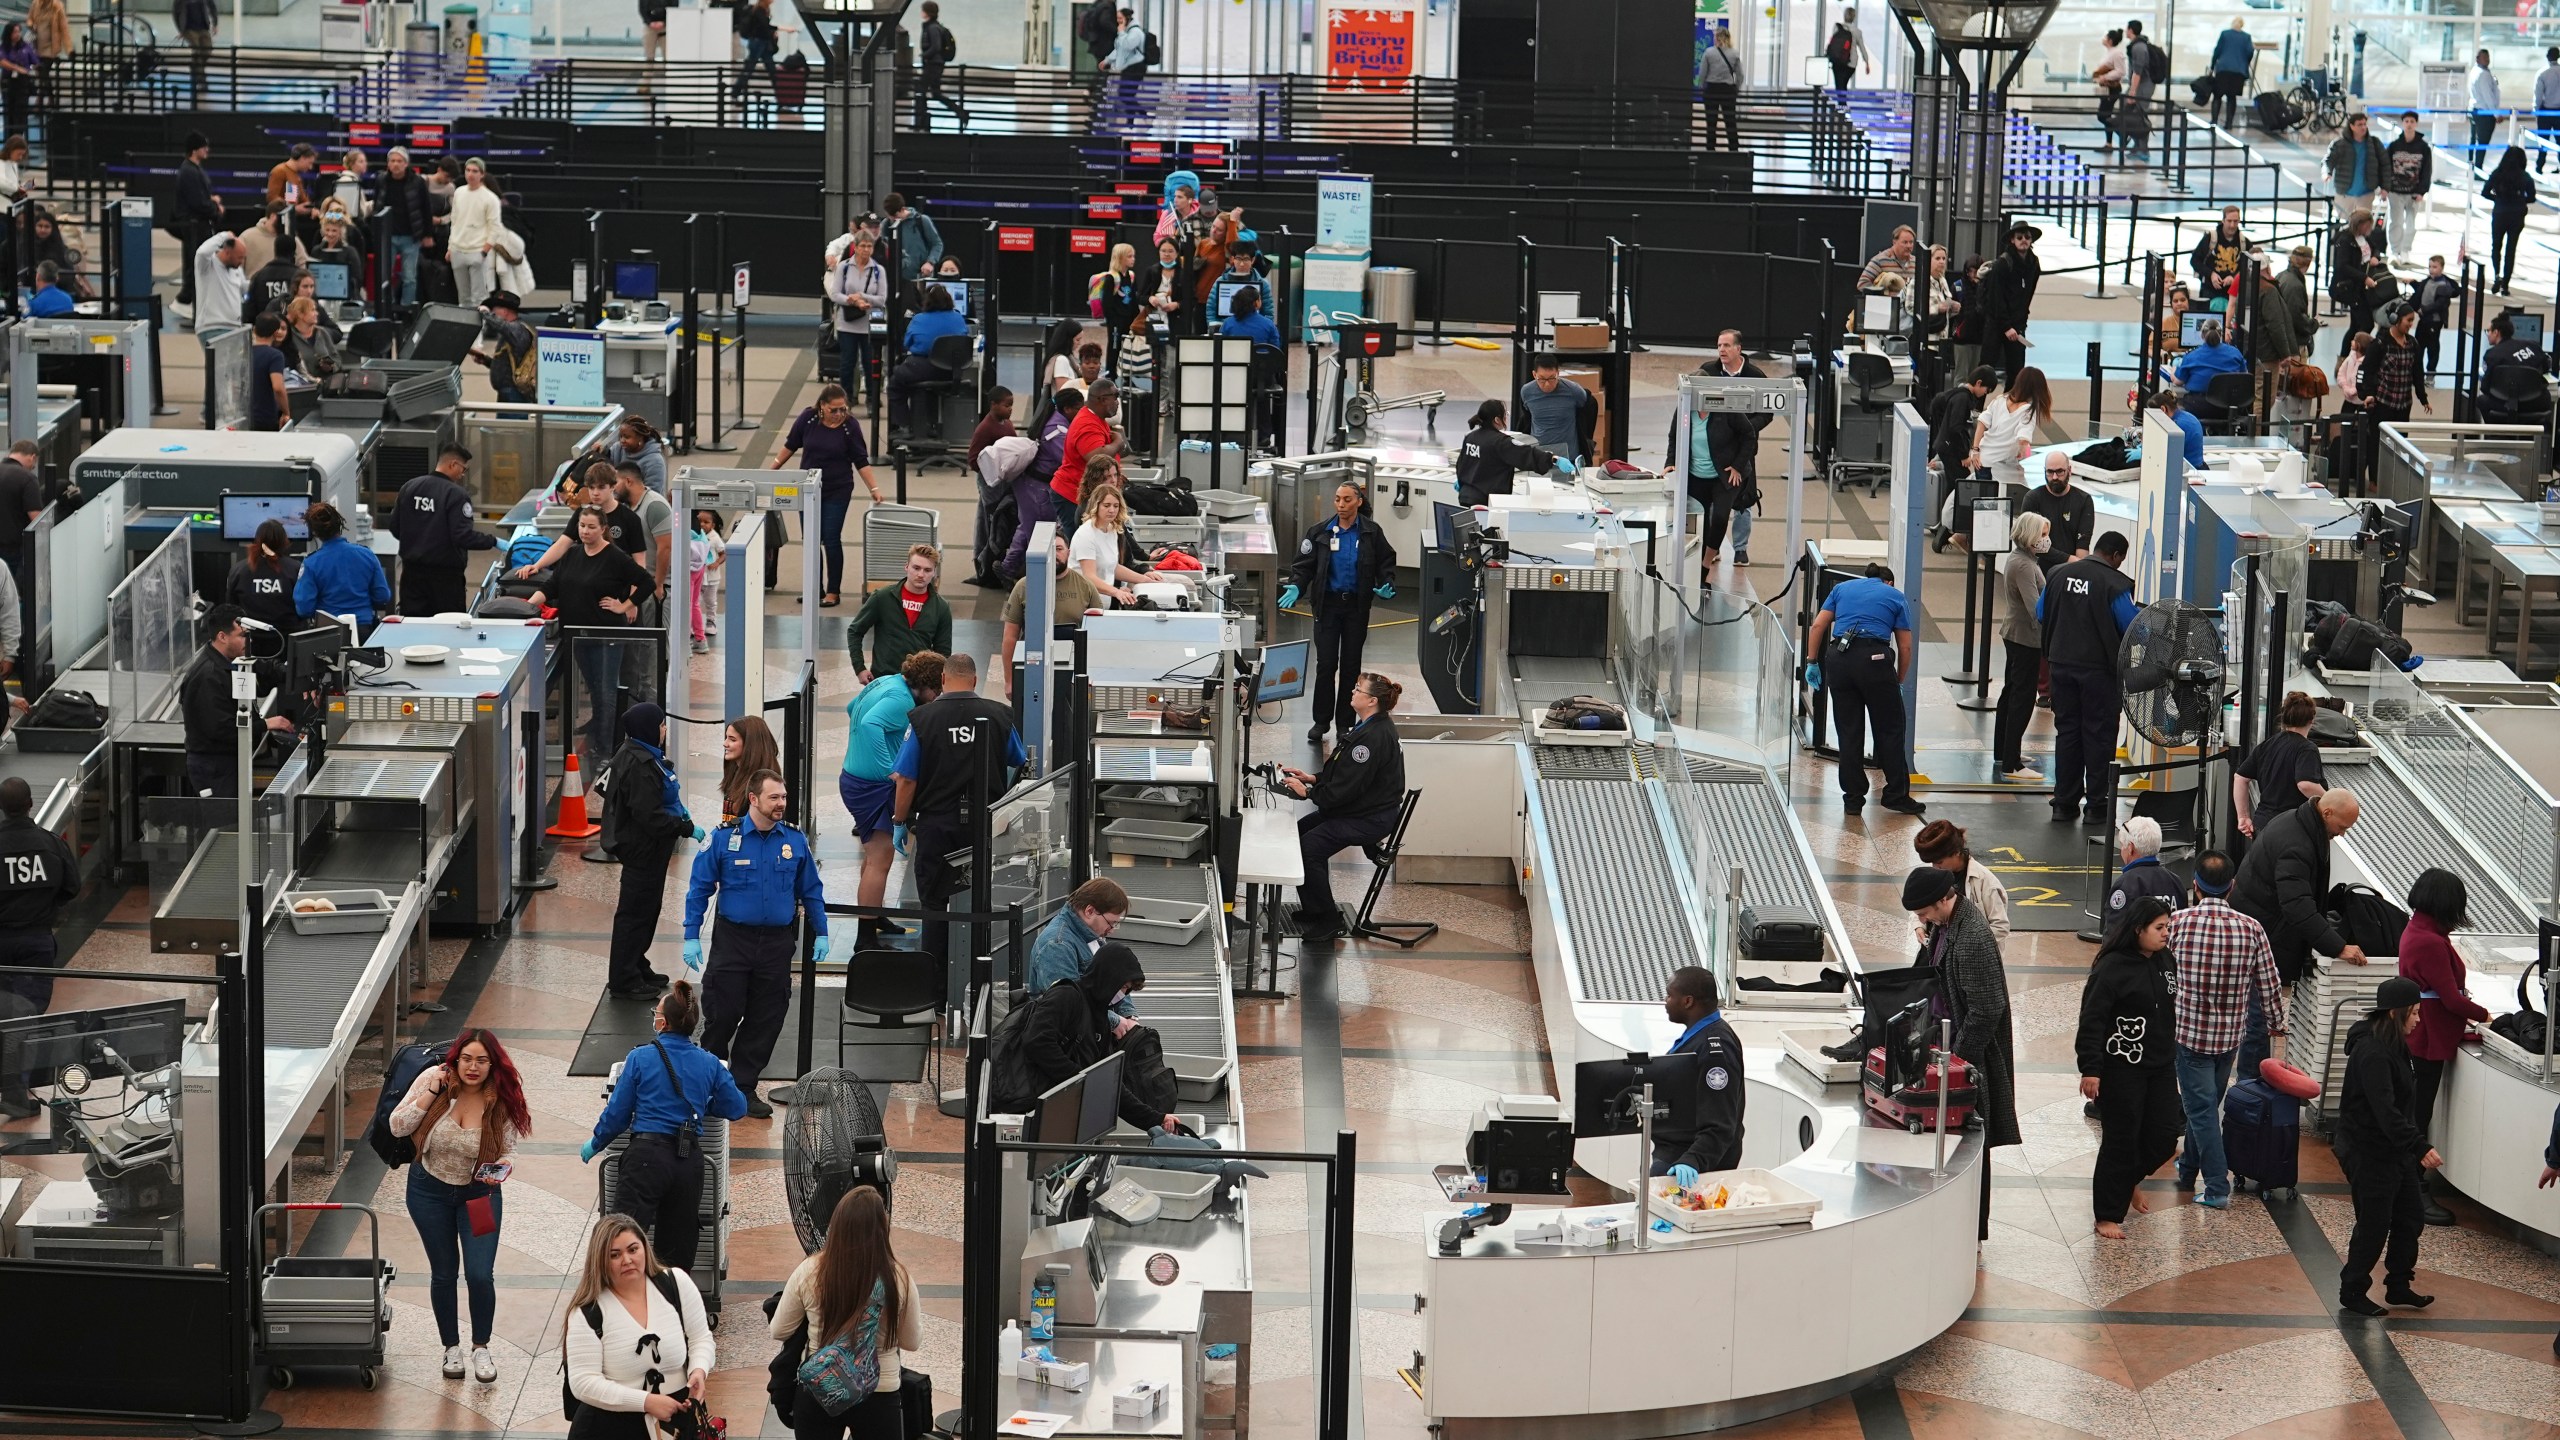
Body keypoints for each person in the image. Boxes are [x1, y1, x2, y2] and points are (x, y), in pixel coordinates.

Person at [388, 1028, 529, 1384]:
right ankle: (451, 1347)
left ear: (492, 1064)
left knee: (480, 1274)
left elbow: (509, 1147)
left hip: (479, 1196)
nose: (473, 1067)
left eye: (482, 1060)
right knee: (444, 1272)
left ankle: (481, 1346)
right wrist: (431, 1091)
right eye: (466, 1058)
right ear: (455, 1059)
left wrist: (504, 1168)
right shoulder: (434, 1080)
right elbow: (397, 1127)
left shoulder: (502, 1098)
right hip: (428, 1192)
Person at [684, 769, 826, 1120]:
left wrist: (821, 931)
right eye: (774, 797)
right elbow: (699, 888)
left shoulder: (793, 840)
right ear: (753, 799)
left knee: (767, 1016)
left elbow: (811, 890)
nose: (781, 804)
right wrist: (690, 934)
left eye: (784, 797)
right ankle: (710, 1083)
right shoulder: (722, 839)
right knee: (723, 1012)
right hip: (734, 940)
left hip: (777, 943)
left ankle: (744, 1086)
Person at [1902, 865, 2020, 1238]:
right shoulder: (1946, 925)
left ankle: (1973, 1229)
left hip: (1970, 1056)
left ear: (1943, 899)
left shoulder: (1972, 938)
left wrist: (1960, 1063)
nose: (1922, 920)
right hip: (1947, 1045)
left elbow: (1987, 1009)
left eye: (1923, 913)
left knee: (1971, 1141)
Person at [2164, 850, 2282, 1209]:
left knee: (2201, 1111)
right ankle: (2188, 1168)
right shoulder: (2252, 929)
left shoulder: (2177, 923)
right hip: (2230, 1037)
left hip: (2187, 1035)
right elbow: (2269, 984)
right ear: (2231, 887)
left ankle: (2216, 1187)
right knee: (2207, 1103)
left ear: (2195, 886)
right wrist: (2276, 1025)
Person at [892, 653, 1025, 959]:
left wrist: (900, 821)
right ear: (975, 681)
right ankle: (977, 972)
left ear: (942, 680)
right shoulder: (999, 715)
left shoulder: (922, 719)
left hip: (937, 825)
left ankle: (936, 984)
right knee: (980, 898)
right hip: (985, 825)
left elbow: (906, 779)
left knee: (934, 903)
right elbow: (1016, 760)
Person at [2230, 789, 2367, 1076]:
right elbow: (2297, 906)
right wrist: (2338, 946)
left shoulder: (2296, 821)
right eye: (2342, 827)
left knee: (2256, 1016)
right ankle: (2250, 1089)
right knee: (2258, 1017)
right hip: (2264, 939)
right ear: (2327, 813)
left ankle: (2251, 1084)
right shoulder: (2298, 844)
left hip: (2260, 929)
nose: (2342, 834)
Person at [773, 1186, 923, 1440]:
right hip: (880, 1390)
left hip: (821, 1387)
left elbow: (779, 1330)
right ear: (881, 1228)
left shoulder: (809, 1271)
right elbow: (911, 1342)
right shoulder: (898, 1277)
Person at [1276, 671, 1408, 945]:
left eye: (1358, 689)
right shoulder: (1368, 727)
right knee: (1298, 835)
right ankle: (1315, 908)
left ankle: (1329, 920)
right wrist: (1312, 778)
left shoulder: (1372, 738)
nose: (1352, 692)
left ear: (1371, 701)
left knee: (1308, 848)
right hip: (1358, 809)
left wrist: (1309, 792)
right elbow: (1344, 775)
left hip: (1369, 818)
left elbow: (1345, 790)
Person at [990, 942, 1180, 1131]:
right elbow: (1037, 1041)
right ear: (1108, 977)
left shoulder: (1101, 1020)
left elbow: (1108, 1084)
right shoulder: (1066, 996)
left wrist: (1156, 1119)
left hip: (1050, 1107)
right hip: (1020, 1103)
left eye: (1127, 990)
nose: (1122, 995)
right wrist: (1078, 1079)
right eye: (1122, 987)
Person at [2078, 896, 2182, 1239]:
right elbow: (2092, 1020)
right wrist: (2091, 1068)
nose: (2166, 933)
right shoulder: (2111, 968)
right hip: (2121, 1068)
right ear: (2138, 930)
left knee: (2166, 1135)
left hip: (2161, 1064)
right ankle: (2106, 1214)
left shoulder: (2166, 959)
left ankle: (2126, 1182)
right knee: (2121, 1141)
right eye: (2159, 928)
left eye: (2168, 926)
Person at [559, 1213, 718, 1438]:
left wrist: (699, 1369)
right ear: (600, 1260)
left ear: (644, 1247)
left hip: (678, 1419)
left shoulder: (676, 1284)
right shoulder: (587, 1312)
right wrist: (646, 1402)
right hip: (610, 1427)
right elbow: (583, 1383)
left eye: (633, 1249)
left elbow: (701, 1338)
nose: (627, 1260)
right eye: (615, 1255)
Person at [2335, 976, 2440, 1315]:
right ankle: (2352, 1289)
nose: (2418, 1019)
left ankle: (2398, 1285)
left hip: (2394, 1151)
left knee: (2410, 1216)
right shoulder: (2373, 1054)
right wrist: (2420, 1146)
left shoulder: (2395, 1044)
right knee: (2374, 1222)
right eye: (2414, 1013)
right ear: (2396, 1013)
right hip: (2368, 1151)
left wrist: (2410, 1146)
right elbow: (2385, 1111)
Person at [530, 507, 655, 764]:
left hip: (606, 635)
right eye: (581, 526)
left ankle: (606, 751)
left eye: (590, 527)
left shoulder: (615, 557)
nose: (585, 531)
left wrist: (624, 605)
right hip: (577, 635)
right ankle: (600, 741)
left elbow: (646, 582)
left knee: (606, 693)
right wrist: (528, 608)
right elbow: (553, 585)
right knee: (596, 691)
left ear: (603, 529)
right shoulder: (573, 553)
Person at [2399, 868, 2486, 1228]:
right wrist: (2484, 1016)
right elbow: (2450, 998)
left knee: (2414, 1107)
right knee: (2419, 1113)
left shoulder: (2416, 928)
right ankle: (2414, 1186)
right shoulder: (2432, 941)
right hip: (2431, 1033)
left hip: (2422, 1030)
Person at [1284, 481, 1398, 747]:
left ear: (1358, 501)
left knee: (1350, 666)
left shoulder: (1371, 532)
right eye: (1337, 500)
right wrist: (1297, 585)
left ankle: (1345, 722)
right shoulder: (1320, 532)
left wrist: (1387, 584)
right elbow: (1304, 566)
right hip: (1328, 607)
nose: (1341, 505)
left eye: (1347, 500)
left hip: (1356, 608)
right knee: (1325, 665)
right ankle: (1320, 721)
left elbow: (1386, 561)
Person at [840, 650, 941, 950]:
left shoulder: (888, 682)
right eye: (937, 689)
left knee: (874, 856)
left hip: (855, 778)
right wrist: (890, 770)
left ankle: (875, 915)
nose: (938, 696)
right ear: (926, 684)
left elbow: (851, 708)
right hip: (870, 786)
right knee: (881, 859)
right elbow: (871, 724)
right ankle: (865, 937)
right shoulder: (902, 700)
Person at [1806, 563, 1924, 816]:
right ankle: (1896, 795)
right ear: (1887, 582)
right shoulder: (1894, 596)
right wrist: (1899, 681)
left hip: (1839, 658)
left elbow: (1817, 626)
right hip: (1875, 660)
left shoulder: (1842, 589)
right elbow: (1905, 647)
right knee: (1890, 729)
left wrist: (1811, 662)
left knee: (1848, 730)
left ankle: (1852, 799)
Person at [601, 702, 701, 999]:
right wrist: (684, 827)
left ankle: (636, 963)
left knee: (647, 911)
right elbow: (649, 816)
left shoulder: (639, 753)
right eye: (660, 725)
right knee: (635, 914)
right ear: (648, 728)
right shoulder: (638, 765)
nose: (664, 729)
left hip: (650, 850)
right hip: (642, 850)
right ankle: (624, 978)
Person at [1666, 332, 1773, 573]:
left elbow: (1763, 417)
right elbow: (1676, 434)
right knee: (1708, 512)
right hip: (1708, 460)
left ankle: (1740, 547)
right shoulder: (1708, 371)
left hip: (1737, 455)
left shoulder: (1754, 376)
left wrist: (1740, 431)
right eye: (1718, 345)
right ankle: (1708, 551)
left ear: (1738, 348)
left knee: (1743, 501)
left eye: (1726, 345)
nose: (1721, 350)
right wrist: (1671, 461)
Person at [772, 384, 883, 608]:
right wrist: (771, 470)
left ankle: (833, 591)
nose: (840, 414)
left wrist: (874, 489)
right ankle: (814, 589)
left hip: (838, 489)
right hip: (809, 489)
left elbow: (861, 460)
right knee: (811, 539)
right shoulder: (808, 419)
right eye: (835, 410)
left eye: (843, 409)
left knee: (830, 538)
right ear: (822, 406)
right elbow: (790, 445)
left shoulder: (850, 426)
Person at [179, 606, 298, 797]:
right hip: (214, 768)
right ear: (222, 637)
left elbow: (267, 669)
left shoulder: (233, 661)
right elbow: (222, 729)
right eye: (242, 636)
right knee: (224, 823)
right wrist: (266, 723)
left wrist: (301, 675)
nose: (248, 642)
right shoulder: (207, 677)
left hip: (232, 760)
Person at [1652, 966, 1745, 1182]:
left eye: (1669, 995)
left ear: (1688, 1001)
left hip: (1688, 1166)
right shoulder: (1697, 1037)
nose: (1665, 1001)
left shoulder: (1715, 1050)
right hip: (1672, 1154)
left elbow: (1721, 1121)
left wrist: (1693, 1159)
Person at [0, 776, 78, 1032]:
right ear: (30, 803)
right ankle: (21, 1065)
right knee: (29, 1012)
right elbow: (71, 887)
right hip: (36, 940)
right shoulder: (52, 844)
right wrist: (46, 906)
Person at [1983, 512, 2052, 783]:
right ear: (2030, 535)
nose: (2047, 540)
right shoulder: (2024, 565)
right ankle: (2011, 763)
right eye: (2043, 535)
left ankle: (2005, 752)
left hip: (2016, 633)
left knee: (2011, 692)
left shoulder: (2020, 559)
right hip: (2025, 638)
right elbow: (2036, 608)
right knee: (2021, 699)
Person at [390, 445, 496, 617]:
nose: (463, 474)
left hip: (412, 575)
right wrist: (492, 541)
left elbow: (395, 527)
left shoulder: (410, 487)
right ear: (453, 464)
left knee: (412, 624)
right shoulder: (456, 495)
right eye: (464, 469)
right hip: (445, 578)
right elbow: (463, 536)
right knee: (448, 627)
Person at [997, 535, 1101, 698]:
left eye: (1059, 549)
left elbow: (1098, 635)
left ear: (1068, 552)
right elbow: (1010, 637)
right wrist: (1009, 680)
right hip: (1033, 668)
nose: (1055, 554)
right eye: (1050, 550)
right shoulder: (1024, 586)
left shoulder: (1085, 586)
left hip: (1074, 670)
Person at [846, 542, 952, 683]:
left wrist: (935, 684)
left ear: (934, 573)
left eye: (927, 570)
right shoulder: (882, 597)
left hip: (920, 684)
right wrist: (859, 668)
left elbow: (943, 652)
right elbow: (855, 631)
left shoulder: (941, 607)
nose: (921, 574)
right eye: (916, 568)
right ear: (906, 567)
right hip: (884, 678)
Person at [2234, 691, 2327, 839]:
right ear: (2312, 719)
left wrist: (2243, 816)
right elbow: (2306, 784)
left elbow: (2240, 777)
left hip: (2263, 826)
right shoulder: (2306, 748)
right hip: (2291, 830)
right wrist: (2331, 801)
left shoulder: (2267, 744)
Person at [1912, 819, 2011, 948]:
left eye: (1940, 862)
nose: (1935, 867)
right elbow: (1922, 902)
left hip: (1970, 959)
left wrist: (1966, 944)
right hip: (1936, 950)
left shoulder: (1985, 882)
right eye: (1932, 862)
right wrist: (1919, 926)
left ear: (1956, 852)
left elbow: (2000, 927)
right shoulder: (1936, 873)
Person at [292, 501, 391, 631]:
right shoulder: (366, 555)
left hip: (329, 633)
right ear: (340, 525)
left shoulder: (311, 563)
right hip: (364, 629)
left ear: (314, 532)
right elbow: (382, 596)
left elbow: (304, 608)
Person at [886, 283, 969, 435]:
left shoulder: (919, 319)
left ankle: (903, 426)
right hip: (951, 371)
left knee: (895, 382)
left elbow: (907, 343)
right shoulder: (958, 318)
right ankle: (931, 427)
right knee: (929, 388)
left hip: (922, 367)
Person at [1027, 876, 1131, 997]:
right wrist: (1116, 1017)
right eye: (1110, 923)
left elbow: (1114, 980)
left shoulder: (1090, 933)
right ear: (1090, 911)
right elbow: (1070, 1002)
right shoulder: (1057, 946)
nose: (1112, 930)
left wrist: (1128, 1013)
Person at [1970, 366, 2052, 503]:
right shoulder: (2028, 410)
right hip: (2000, 468)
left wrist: (1975, 449)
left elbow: (1982, 422)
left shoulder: (2000, 400)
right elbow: (2023, 438)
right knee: (2004, 507)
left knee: (1983, 508)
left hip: (1983, 460)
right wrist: (2022, 452)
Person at [1456, 400, 1553, 509]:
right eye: (1505, 414)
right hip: (1487, 501)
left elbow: (1461, 464)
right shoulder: (1500, 442)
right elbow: (1525, 454)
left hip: (1465, 496)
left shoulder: (1470, 437)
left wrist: (1462, 481)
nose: (1506, 418)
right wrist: (1552, 459)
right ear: (1497, 419)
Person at [827, 235, 889, 400]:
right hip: (847, 322)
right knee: (847, 363)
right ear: (856, 247)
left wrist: (862, 297)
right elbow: (835, 294)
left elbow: (882, 299)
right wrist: (851, 300)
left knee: (870, 363)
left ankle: (872, 398)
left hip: (869, 323)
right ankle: (847, 398)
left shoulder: (878, 270)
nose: (866, 250)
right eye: (863, 246)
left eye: (869, 246)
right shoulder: (844, 267)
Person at [1979, 223, 2041, 378]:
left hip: (2017, 324)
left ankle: (2011, 402)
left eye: (2027, 237)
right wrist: (2006, 326)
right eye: (2019, 237)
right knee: (1985, 371)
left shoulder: (2034, 263)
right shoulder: (2002, 264)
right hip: (1995, 322)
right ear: (2012, 240)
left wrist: (2020, 322)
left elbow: (2028, 295)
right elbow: (1995, 298)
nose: (2024, 240)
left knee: (2017, 372)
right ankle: (1975, 403)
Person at [225, 519, 303, 635]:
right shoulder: (296, 569)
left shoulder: (238, 570)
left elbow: (231, 608)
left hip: (250, 642)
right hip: (288, 640)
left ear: (257, 540)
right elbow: (303, 607)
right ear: (284, 541)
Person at [174, 134, 225, 312]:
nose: (207, 150)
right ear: (195, 150)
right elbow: (197, 201)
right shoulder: (189, 171)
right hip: (194, 224)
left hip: (198, 222)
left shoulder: (194, 170)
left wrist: (212, 201)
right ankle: (189, 300)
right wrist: (215, 208)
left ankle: (188, 297)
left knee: (195, 261)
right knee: (195, 262)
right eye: (204, 147)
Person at [378, 147, 432, 307]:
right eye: (392, 161)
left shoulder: (417, 182)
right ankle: (385, 306)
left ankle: (407, 309)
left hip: (411, 236)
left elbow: (426, 208)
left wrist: (428, 234)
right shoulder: (381, 180)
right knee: (385, 276)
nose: (395, 164)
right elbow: (377, 206)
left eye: (399, 161)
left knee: (409, 277)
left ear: (406, 164)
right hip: (388, 236)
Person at [446, 157, 502, 311]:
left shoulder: (490, 198)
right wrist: (450, 247)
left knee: (479, 297)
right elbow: (455, 221)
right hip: (458, 249)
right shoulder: (459, 192)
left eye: (475, 171)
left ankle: (480, 330)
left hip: (477, 251)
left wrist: (484, 251)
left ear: (482, 174)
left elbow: (495, 227)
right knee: (463, 297)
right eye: (468, 170)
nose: (470, 174)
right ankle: (466, 330)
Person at [2367, 301, 2432, 429]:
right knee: (2378, 444)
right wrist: (2368, 393)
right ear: (2396, 319)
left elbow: (2418, 373)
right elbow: (2368, 370)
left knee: (2400, 444)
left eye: (2412, 320)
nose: (2411, 324)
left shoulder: (2413, 344)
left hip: (2404, 405)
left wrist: (2423, 398)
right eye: (2408, 320)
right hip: (2383, 403)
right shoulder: (2380, 343)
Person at [2105, 815, 2183, 918]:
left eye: (2122, 845)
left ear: (2130, 848)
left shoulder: (2126, 884)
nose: (2121, 851)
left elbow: (2115, 928)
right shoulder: (2176, 882)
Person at [1516, 355, 1589, 462]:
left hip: (1567, 456)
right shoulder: (1526, 392)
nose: (1547, 384)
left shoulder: (1574, 391)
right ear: (1534, 374)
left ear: (1558, 374)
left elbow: (1585, 406)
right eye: (1541, 379)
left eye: (1552, 378)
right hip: (1538, 455)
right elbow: (1526, 414)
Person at [2485, 145, 2537, 295]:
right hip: (2517, 214)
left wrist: (2498, 198)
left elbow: (2485, 191)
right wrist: (2520, 199)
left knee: (2496, 246)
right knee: (2511, 249)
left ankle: (2496, 276)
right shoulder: (2525, 176)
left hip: (2500, 212)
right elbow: (2532, 197)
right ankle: (2506, 283)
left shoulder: (2498, 173)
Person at [913, 0, 967, 131]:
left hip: (933, 64)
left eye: (922, 10)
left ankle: (921, 122)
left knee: (920, 90)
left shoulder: (932, 28)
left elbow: (935, 47)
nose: (921, 12)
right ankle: (961, 113)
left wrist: (924, 55)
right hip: (935, 64)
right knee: (935, 93)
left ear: (927, 13)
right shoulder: (933, 26)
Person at [2331, 209, 2385, 337]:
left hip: (2361, 286)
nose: (2369, 228)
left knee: (2355, 325)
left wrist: (2375, 257)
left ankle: (2349, 354)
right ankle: (2354, 350)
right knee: (2366, 324)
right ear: (2360, 224)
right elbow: (2343, 266)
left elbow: (2375, 248)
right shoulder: (2345, 240)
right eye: (2367, 225)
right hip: (2352, 287)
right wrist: (2364, 277)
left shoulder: (2364, 236)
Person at [2384, 113, 2434, 251]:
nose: (2409, 124)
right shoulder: (2394, 146)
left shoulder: (2424, 148)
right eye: (2406, 121)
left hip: (2413, 193)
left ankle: (2405, 250)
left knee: (2410, 225)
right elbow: (2386, 167)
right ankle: (2395, 250)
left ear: (2416, 124)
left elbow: (2427, 170)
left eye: (2412, 121)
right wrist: (2385, 187)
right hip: (2395, 191)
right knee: (2396, 223)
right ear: (2403, 124)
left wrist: (2422, 191)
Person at [720, 716, 783, 824]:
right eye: (726, 737)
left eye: (732, 739)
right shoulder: (735, 772)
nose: (725, 743)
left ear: (750, 745)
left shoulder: (765, 783)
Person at [2412, 255, 2460, 376]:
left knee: (2432, 348)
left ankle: (2431, 373)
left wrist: (2425, 310)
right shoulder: (2427, 281)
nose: (2431, 269)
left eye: (2435, 267)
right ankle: (2418, 372)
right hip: (2423, 320)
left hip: (2434, 321)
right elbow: (2421, 291)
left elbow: (2440, 304)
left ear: (2442, 268)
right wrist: (2413, 283)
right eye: (2430, 266)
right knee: (2418, 347)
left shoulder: (2444, 285)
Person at [880, 192, 944, 282]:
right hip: (895, 279)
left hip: (919, 278)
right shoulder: (886, 224)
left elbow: (937, 244)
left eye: (895, 216)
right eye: (890, 217)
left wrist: (930, 262)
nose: (893, 219)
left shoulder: (922, 221)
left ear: (903, 209)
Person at [2189, 207, 2248, 302]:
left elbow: (2248, 267)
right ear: (2223, 220)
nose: (2232, 225)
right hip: (2208, 291)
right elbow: (2194, 261)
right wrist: (2211, 274)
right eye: (2229, 221)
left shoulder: (2244, 243)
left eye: (2235, 221)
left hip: (2233, 294)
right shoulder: (2210, 238)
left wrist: (2234, 278)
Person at [244, 312, 291, 431]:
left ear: (254, 330)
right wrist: (286, 413)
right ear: (276, 333)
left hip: (245, 415)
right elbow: (278, 387)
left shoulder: (244, 354)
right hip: (266, 417)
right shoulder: (275, 356)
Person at [2326, 112, 2385, 205]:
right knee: (2345, 218)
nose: (2363, 127)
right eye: (2359, 124)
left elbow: (2385, 165)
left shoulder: (2374, 143)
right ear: (2352, 126)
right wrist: (2326, 172)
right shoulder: (2339, 144)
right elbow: (2329, 160)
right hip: (2345, 194)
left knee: (2362, 219)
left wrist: (2385, 187)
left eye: (2365, 124)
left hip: (2366, 194)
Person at [1699, 25, 1742, 150]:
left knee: (1711, 120)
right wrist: (1736, 88)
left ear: (1717, 38)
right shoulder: (1734, 53)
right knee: (1730, 120)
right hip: (1728, 90)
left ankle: (1710, 146)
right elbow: (1740, 74)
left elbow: (1702, 73)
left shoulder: (1708, 52)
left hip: (1711, 89)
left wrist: (1702, 87)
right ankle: (1733, 147)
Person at [193, 230, 248, 328]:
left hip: (234, 326)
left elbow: (245, 288)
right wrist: (225, 236)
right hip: (212, 326)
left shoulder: (236, 269)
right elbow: (202, 252)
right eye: (239, 257)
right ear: (227, 252)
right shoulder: (207, 265)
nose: (242, 262)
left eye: (243, 258)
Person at [606, 416, 669, 498]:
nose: (622, 441)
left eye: (627, 437)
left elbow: (653, 494)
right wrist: (602, 452)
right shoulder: (617, 449)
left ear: (640, 438)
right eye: (621, 436)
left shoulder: (655, 461)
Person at [2206, 18, 2252, 128]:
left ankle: (2214, 120)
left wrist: (2212, 66)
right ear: (2242, 25)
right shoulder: (2246, 37)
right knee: (2232, 97)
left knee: (2217, 96)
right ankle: (2229, 123)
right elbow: (2250, 52)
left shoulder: (2225, 34)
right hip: (2238, 70)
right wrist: (2244, 62)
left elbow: (2217, 50)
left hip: (2223, 68)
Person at [2174, 322, 2246, 390]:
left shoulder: (2191, 356)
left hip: (2198, 401)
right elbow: (2244, 376)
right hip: (2229, 401)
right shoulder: (2235, 353)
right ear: (2221, 335)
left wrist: (2173, 371)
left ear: (2202, 335)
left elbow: (2178, 382)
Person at [2484, 312, 2549, 379]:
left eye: (2488, 331)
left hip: (2507, 389)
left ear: (2496, 332)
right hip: (2535, 388)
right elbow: (2545, 368)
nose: (2487, 334)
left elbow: (2485, 385)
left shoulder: (2491, 355)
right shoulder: (2533, 345)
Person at [2092, 29, 2127, 153]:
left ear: (2110, 40)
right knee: (2106, 115)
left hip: (2112, 89)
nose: (2103, 38)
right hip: (2106, 88)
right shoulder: (2110, 52)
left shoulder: (2116, 53)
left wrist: (2105, 77)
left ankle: (2121, 134)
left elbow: (2121, 71)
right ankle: (2109, 143)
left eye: (2105, 36)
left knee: (2103, 115)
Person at [1856, 225, 1918, 292]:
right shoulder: (1880, 260)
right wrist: (1882, 294)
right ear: (1894, 242)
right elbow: (1862, 284)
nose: (1909, 246)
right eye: (1905, 242)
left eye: (1911, 242)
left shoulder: (1917, 262)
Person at [2473, 48, 2503, 161]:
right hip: (2485, 113)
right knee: (2482, 142)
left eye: (2488, 57)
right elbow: (2488, 96)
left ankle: (2473, 167)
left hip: (2477, 110)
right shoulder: (2483, 74)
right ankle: (2478, 168)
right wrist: (2496, 114)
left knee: (2476, 141)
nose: (2487, 60)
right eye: (2484, 57)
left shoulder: (2476, 71)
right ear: (2478, 59)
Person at [1105, 6, 1150, 83]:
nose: (1117, 21)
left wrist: (1121, 32)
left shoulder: (1135, 32)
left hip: (1135, 67)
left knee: (1126, 92)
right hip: (1129, 67)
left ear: (1127, 19)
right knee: (1123, 92)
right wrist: (1107, 60)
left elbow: (1126, 47)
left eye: (1120, 18)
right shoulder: (1128, 31)